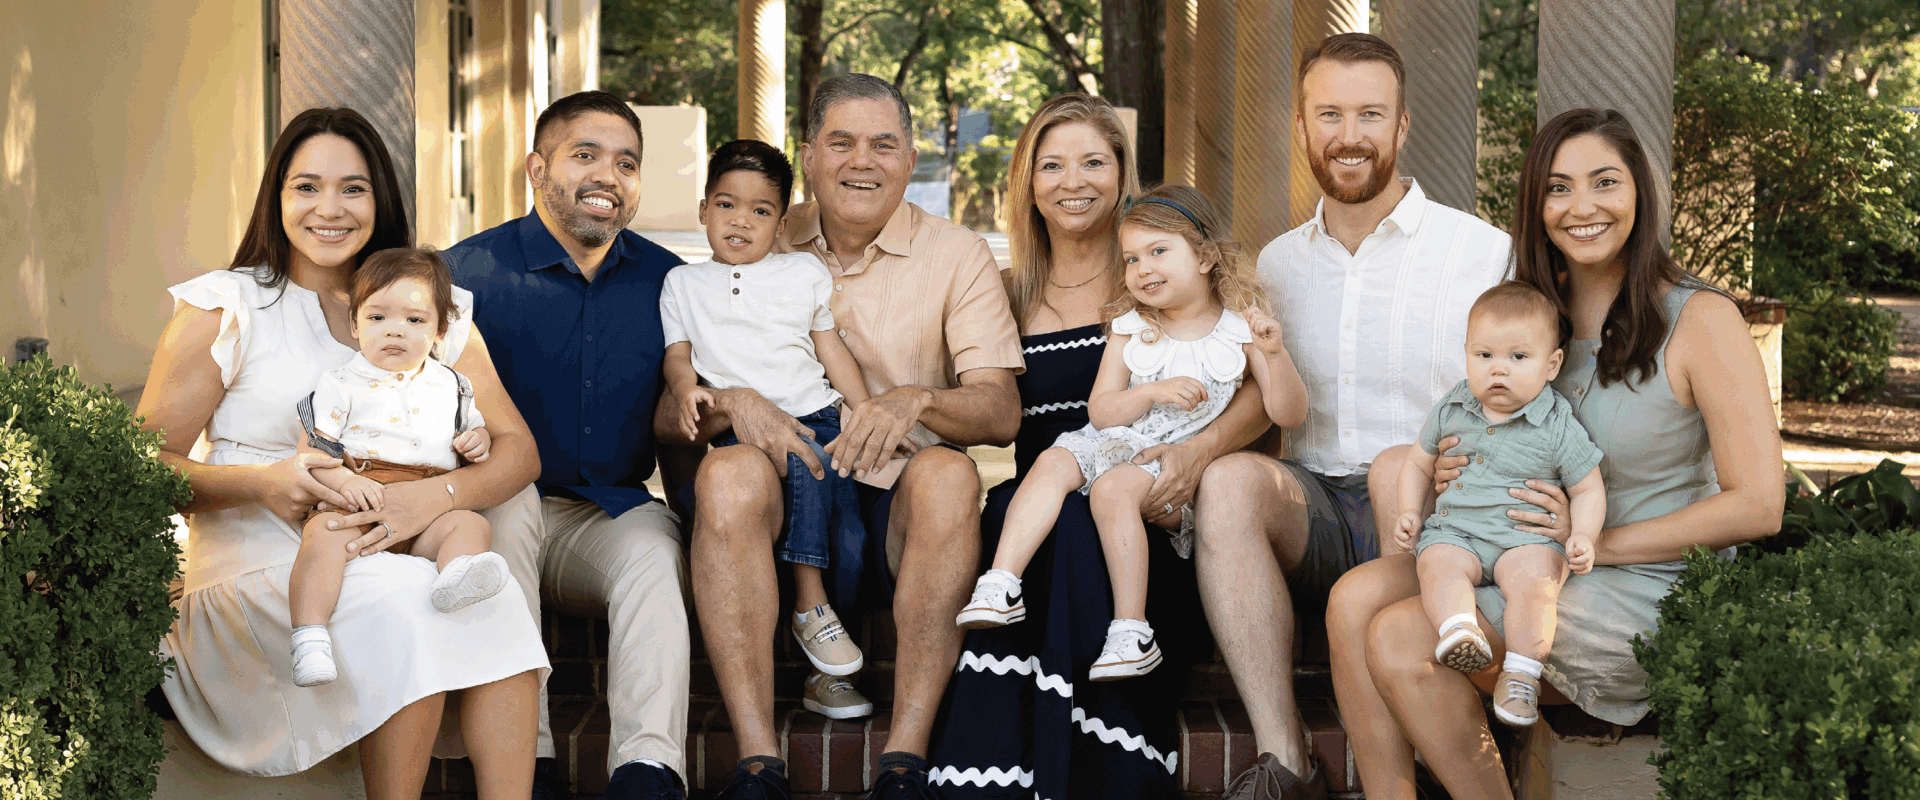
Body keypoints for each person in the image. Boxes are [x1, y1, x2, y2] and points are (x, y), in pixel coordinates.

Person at [1326, 108, 1783, 799]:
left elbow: (1759, 505)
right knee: (1352, 597)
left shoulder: (1700, 320)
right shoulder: (1534, 319)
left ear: (1639, 194)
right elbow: (1486, 421)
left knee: (1400, 636)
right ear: (1537, 206)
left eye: (1605, 182)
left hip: (1645, 581)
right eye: (1559, 188)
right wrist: (1452, 466)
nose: (1582, 207)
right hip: (1524, 556)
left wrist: (1594, 541)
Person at [142, 107, 546, 798]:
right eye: (306, 187)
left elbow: (517, 453)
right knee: (412, 597)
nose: (330, 208)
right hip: (257, 562)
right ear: (277, 197)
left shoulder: (424, 311)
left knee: (491, 593)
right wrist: (262, 484)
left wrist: (436, 496)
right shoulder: (226, 307)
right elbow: (142, 469)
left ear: (380, 199)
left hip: (393, 541)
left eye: (352, 188)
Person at [663, 73, 1023, 800]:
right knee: (727, 475)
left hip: (899, 498)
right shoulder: (754, 228)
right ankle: (758, 760)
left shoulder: (957, 254)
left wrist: (915, 400)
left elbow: (1000, 411)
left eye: (883, 144)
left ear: (909, 156)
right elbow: (673, 414)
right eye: (842, 143)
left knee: (952, 475)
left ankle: (905, 759)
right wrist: (735, 402)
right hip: (778, 484)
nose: (863, 161)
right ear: (810, 154)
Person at [1190, 32, 1511, 798]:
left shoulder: (1481, 252)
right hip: (1318, 509)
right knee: (1231, 483)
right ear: (1301, 128)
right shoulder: (1275, 263)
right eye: (1328, 114)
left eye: (1371, 114)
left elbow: (1524, 385)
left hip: (1431, 514)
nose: (1349, 136)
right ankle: (1284, 764)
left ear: (1402, 128)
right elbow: (1258, 402)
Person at [928, 94, 1274, 800]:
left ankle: (1102, 775)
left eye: (1093, 160)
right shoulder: (1002, 293)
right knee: (1029, 530)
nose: (1072, 180)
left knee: (1087, 525)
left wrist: (1198, 453)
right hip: (1037, 508)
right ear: (1027, 181)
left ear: (1123, 173)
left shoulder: (1156, 276)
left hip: (1140, 517)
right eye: (1051, 165)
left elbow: (1258, 398)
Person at [442, 91, 691, 799]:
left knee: (653, 550)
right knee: (510, 504)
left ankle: (647, 772)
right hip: (495, 507)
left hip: (605, 512)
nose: (607, 175)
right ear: (536, 168)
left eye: (626, 162)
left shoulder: (669, 282)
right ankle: (531, 763)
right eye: (585, 155)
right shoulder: (463, 278)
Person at [959, 184, 1307, 684]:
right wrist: (1149, 392)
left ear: (1206, 256)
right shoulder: (1131, 327)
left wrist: (1274, 355)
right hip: (1118, 441)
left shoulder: (1241, 330)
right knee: (1053, 460)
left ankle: (1130, 630)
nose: (1143, 269)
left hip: (1171, 468)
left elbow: (1287, 413)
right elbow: (1101, 411)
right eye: (1131, 259)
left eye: (1159, 252)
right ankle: (1001, 581)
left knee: (1112, 488)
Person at [660, 139, 874, 700]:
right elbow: (677, 353)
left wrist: (866, 409)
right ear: (703, 210)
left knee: (848, 534)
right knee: (802, 467)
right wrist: (687, 390)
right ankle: (809, 602)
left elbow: (829, 349)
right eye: (727, 205)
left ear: (781, 222)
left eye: (761, 211)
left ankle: (828, 649)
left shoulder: (802, 272)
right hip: (741, 433)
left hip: (817, 414)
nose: (741, 221)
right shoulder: (683, 283)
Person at [288, 247, 512, 687]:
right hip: (360, 498)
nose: (395, 332)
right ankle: (309, 636)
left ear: (440, 330)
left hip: (429, 505)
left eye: (414, 320)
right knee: (321, 538)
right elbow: (313, 453)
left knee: (470, 525)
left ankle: (456, 577)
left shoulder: (452, 384)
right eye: (377, 318)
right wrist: (345, 481)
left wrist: (477, 442)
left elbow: (476, 434)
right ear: (355, 325)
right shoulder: (340, 384)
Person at [1390, 281, 1604, 727]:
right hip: (1457, 531)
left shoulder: (1556, 422)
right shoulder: (1453, 405)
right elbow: (1416, 461)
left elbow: (1587, 488)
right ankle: (1459, 629)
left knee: (1535, 588)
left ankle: (1522, 677)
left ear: (1552, 364)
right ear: (1466, 353)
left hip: (1524, 539)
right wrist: (1410, 509)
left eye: (1518, 357)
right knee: (1438, 565)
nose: (1498, 370)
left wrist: (1583, 534)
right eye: (1484, 356)